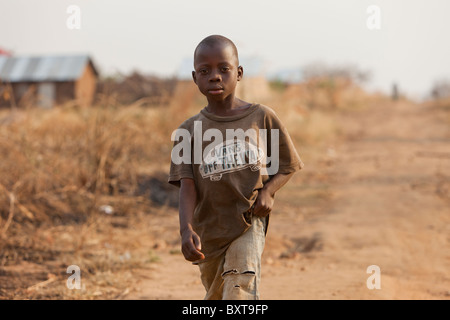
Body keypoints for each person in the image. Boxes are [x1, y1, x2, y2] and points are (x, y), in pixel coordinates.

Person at [168, 35, 304, 300]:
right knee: (217, 294)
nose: (215, 76)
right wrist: (186, 229)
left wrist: (268, 192)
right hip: (209, 229)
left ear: (239, 73)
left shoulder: (261, 117)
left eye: (224, 69)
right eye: (205, 71)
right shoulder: (187, 131)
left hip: (248, 220)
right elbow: (187, 185)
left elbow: (287, 165)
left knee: (239, 286)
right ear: (195, 78)